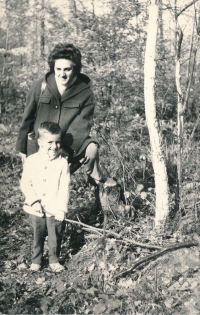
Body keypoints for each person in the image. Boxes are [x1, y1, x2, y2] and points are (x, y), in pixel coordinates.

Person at [16, 43, 117, 211]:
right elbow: (27, 117)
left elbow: (81, 126)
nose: (62, 74)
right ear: (53, 68)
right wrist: (22, 147)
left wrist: (64, 152)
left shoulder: (85, 92)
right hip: (40, 145)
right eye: (58, 69)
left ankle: (95, 179)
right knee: (39, 187)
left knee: (91, 150)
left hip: (69, 145)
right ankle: (40, 224)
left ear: (76, 69)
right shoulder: (40, 86)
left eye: (68, 70)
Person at [20, 122, 70, 272]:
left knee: (56, 234)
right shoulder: (31, 160)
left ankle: (54, 260)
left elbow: (64, 188)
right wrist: (33, 201)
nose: (54, 146)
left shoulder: (62, 163)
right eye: (50, 142)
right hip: (36, 209)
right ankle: (36, 260)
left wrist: (61, 208)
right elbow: (25, 183)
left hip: (54, 208)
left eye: (58, 142)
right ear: (40, 142)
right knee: (38, 234)